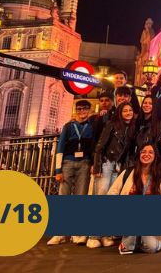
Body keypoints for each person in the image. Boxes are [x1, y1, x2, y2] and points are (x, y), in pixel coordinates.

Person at [47, 100, 95, 246]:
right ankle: (60, 233)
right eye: (79, 109)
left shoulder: (92, 127)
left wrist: (93, 164)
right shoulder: (68, 126)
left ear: (89, 110)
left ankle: (77, 232)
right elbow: (60, 146)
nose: (82, 112)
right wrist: (57, 170)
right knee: (64, 197)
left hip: (85, 163)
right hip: (67, 162)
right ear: (75, 110)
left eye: (85, 109)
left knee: (81, 197)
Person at [91, 102, 137, 248]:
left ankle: (105, 234)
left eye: (130, 110)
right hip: (106, 163)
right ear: (120, 112)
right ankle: (93, 235)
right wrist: (97, 166)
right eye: (125, 111)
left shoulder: (132, 128)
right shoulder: (112, 124)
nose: (128, 112)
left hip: (118, 166)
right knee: (102, 195)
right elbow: (99, 146)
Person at [109, 144, 161, 255]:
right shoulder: (128, 172)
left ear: (155, 156)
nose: (146, 154)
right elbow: (112, 193)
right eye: (143, 152)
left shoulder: (158, 176)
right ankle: (129, 243)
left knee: (151, 248)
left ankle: (140, 242)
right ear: (139, 154)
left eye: (150, 152)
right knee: (128, 247)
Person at [133, 96, 161, 166]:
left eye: (150, 103)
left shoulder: (158, 123)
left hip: (148, 159)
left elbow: (156, 143)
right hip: (135, 157)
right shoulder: (137, 120)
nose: (147, 105)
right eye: (145, 103)